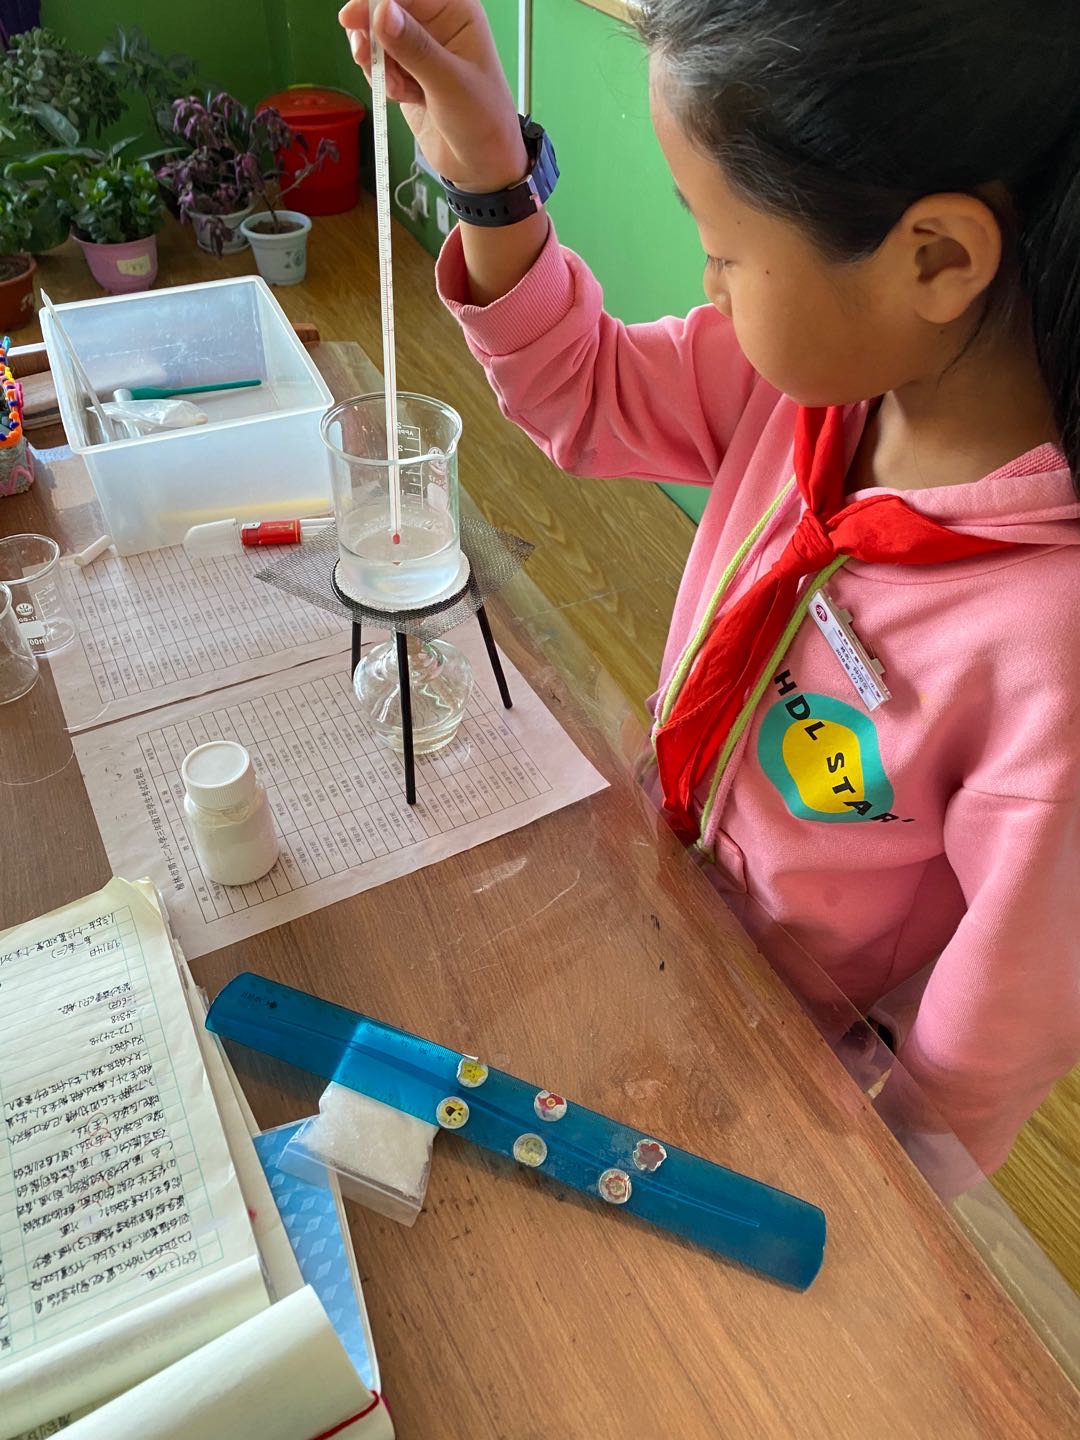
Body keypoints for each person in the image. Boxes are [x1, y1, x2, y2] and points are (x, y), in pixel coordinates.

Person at [339, 0, 1080, 1180]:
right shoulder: (817, 386)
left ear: (936, 259)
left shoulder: (1049, 653)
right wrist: (487, 180)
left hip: (788, 1071)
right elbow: (582, 387)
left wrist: (877, 1194)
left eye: (726, 252)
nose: (708, 285)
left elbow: (989, 1040)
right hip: (657, 908)